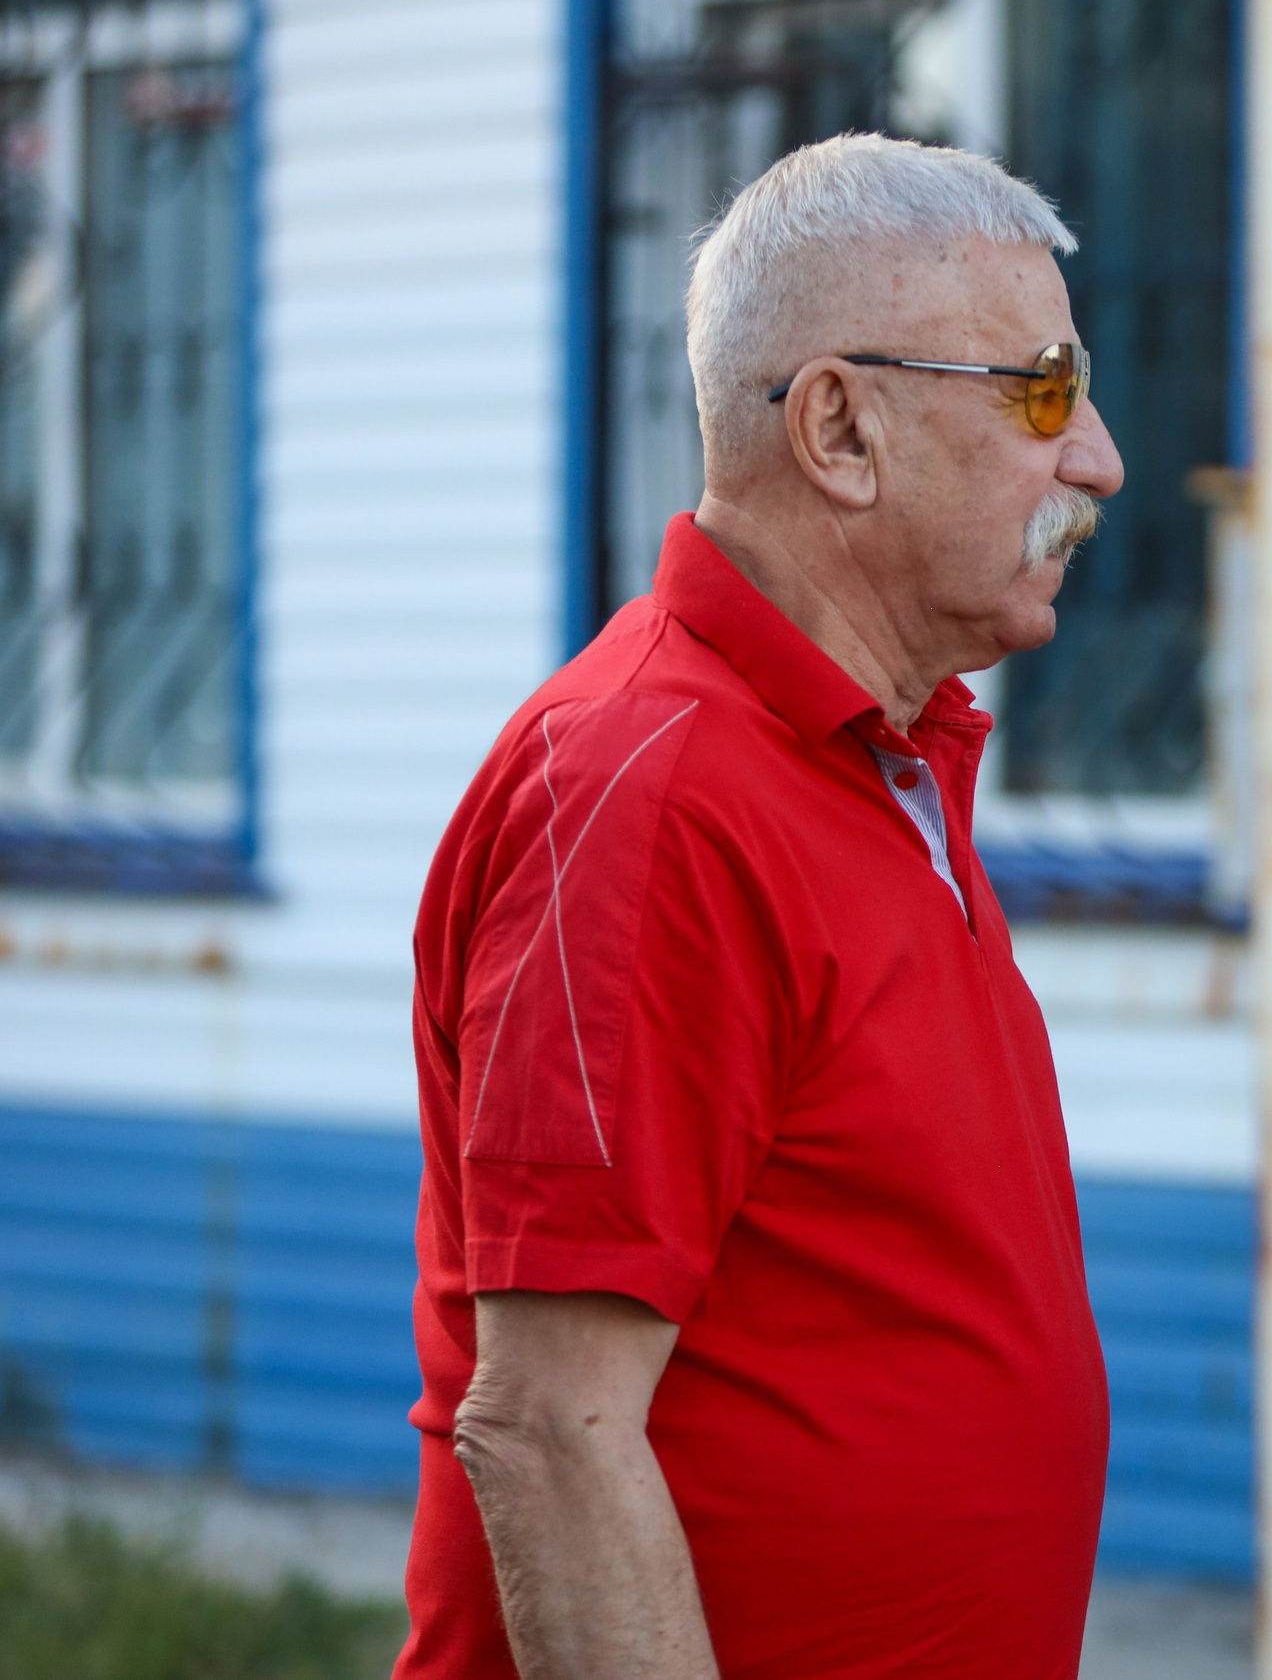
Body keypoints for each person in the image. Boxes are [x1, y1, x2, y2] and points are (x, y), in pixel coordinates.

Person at [396, 135, 1124, 1680]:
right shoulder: (651, 796)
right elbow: (548, 1430)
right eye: (1045, 394)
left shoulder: (883, 752)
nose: (1101, 459)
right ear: (840, 428)